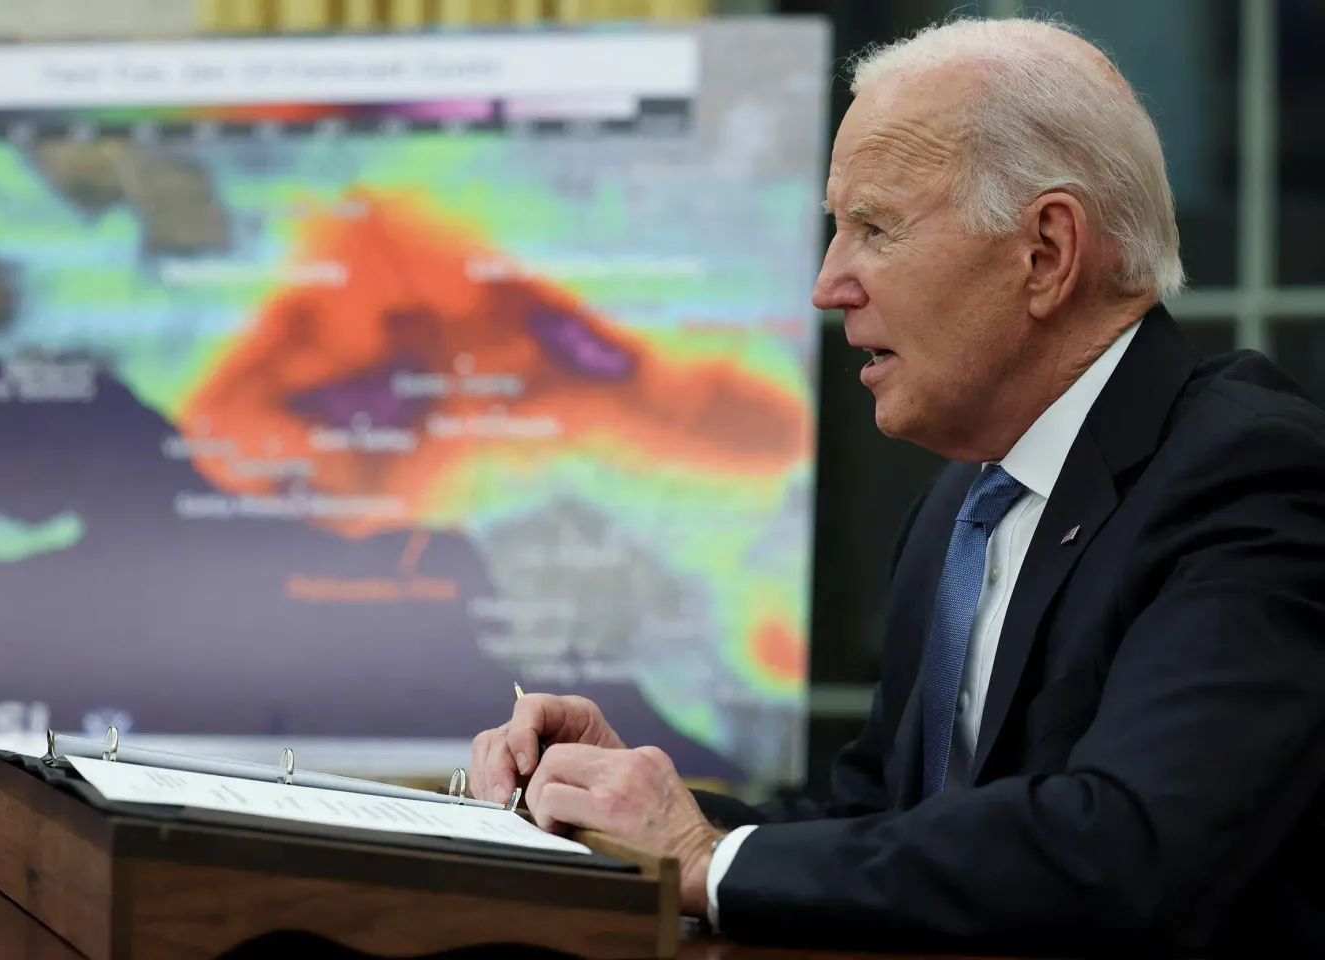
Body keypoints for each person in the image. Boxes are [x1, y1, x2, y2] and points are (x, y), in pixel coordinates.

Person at [468, 15, 1325, 957]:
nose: (828, 283)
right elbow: (878, 820)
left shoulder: (1253, 477)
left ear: (1045, 251)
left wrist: (704, 857)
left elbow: (1129, 847)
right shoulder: (961, 509)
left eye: (874, 227)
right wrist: (629, 802)